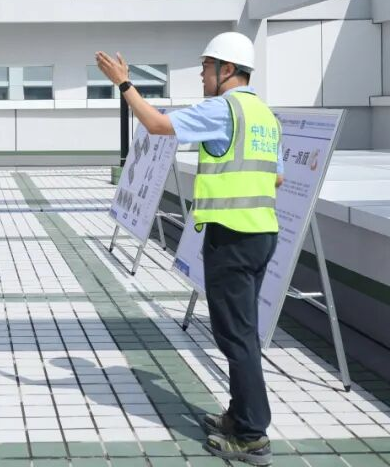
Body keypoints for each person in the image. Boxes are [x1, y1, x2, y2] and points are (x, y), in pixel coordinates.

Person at [96, 32, 282, 467]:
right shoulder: (264, 115)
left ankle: (252, 435)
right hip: (262, 234)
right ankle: (239, 415)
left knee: (235, 336)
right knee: (243, 331)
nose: (201, 75)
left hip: (232, 236)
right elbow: (276, 176)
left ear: (227, 70)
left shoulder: (224, 109)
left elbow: (158, 125)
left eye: (205, 67)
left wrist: (124, 84)